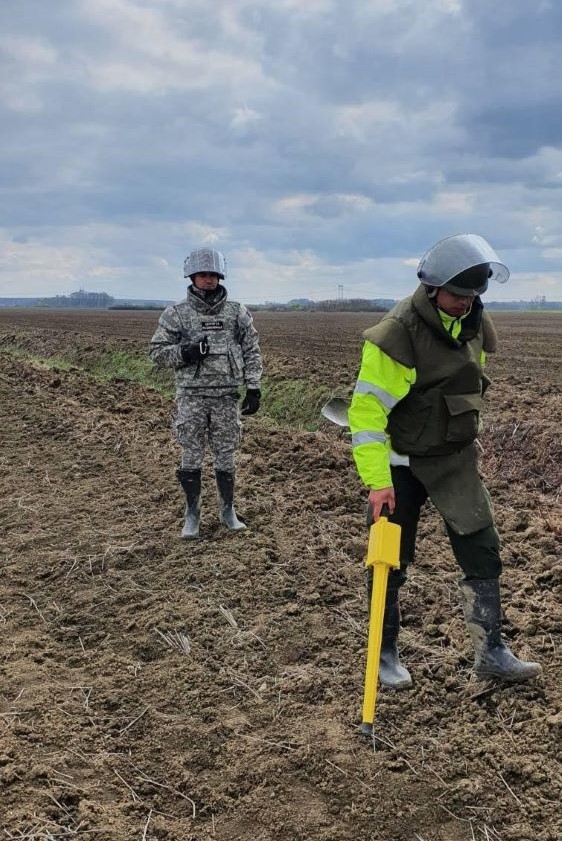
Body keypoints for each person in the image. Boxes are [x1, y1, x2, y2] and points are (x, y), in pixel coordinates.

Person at [348, 234, 541, 687]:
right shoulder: (396, 334)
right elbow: (366, 413)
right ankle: (384, 654)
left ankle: (491, 650)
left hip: (453, 456)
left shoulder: (474, 321)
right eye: (458, 295)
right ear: (433, 288)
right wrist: (378, 482)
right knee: (390, 557)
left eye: (475, 295)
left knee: (482, 546)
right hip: (401, 461)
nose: (466, 304)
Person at [149, 247, 263, 538]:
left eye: (213, 275)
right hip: (191, 396)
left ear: (220, 276)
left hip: (226, 395)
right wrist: (186, 352)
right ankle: (192, 514)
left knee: (226, 455)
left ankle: (228, 510)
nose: (209, 280)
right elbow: (157, 352)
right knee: (191, 454)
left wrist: (253, 387)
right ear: (192, 276)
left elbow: (251, 350)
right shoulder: (176, 314)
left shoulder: (237, 312)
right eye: (203, 275)